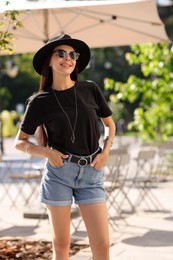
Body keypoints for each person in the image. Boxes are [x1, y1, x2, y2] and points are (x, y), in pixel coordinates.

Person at [14, 34, 116, 260]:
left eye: (72, 54)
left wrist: (106, 151)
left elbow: (110, 125)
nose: (67, 58)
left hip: (92, 171)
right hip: (60, 173)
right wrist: (47, 152)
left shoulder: (90, 89)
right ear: (49, 61)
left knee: (102, 244)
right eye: (60, 53)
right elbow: (19, 142)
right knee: (61, 245)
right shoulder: (40, 101)